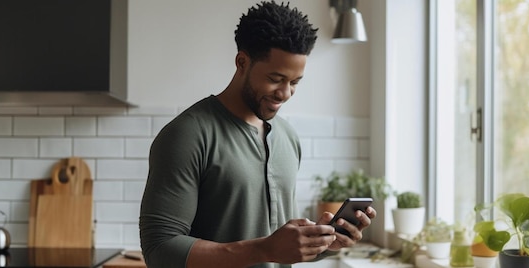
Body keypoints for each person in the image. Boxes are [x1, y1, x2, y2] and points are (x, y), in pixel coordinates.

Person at [139, 1, 376, 267]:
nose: (285, 93)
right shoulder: (187, 135)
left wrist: (324, 243)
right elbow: (159, 249)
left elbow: (276, 248)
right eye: (276, 79)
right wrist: (264, 249)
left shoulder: (288, 137)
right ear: (242, 62)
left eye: (295, 82)